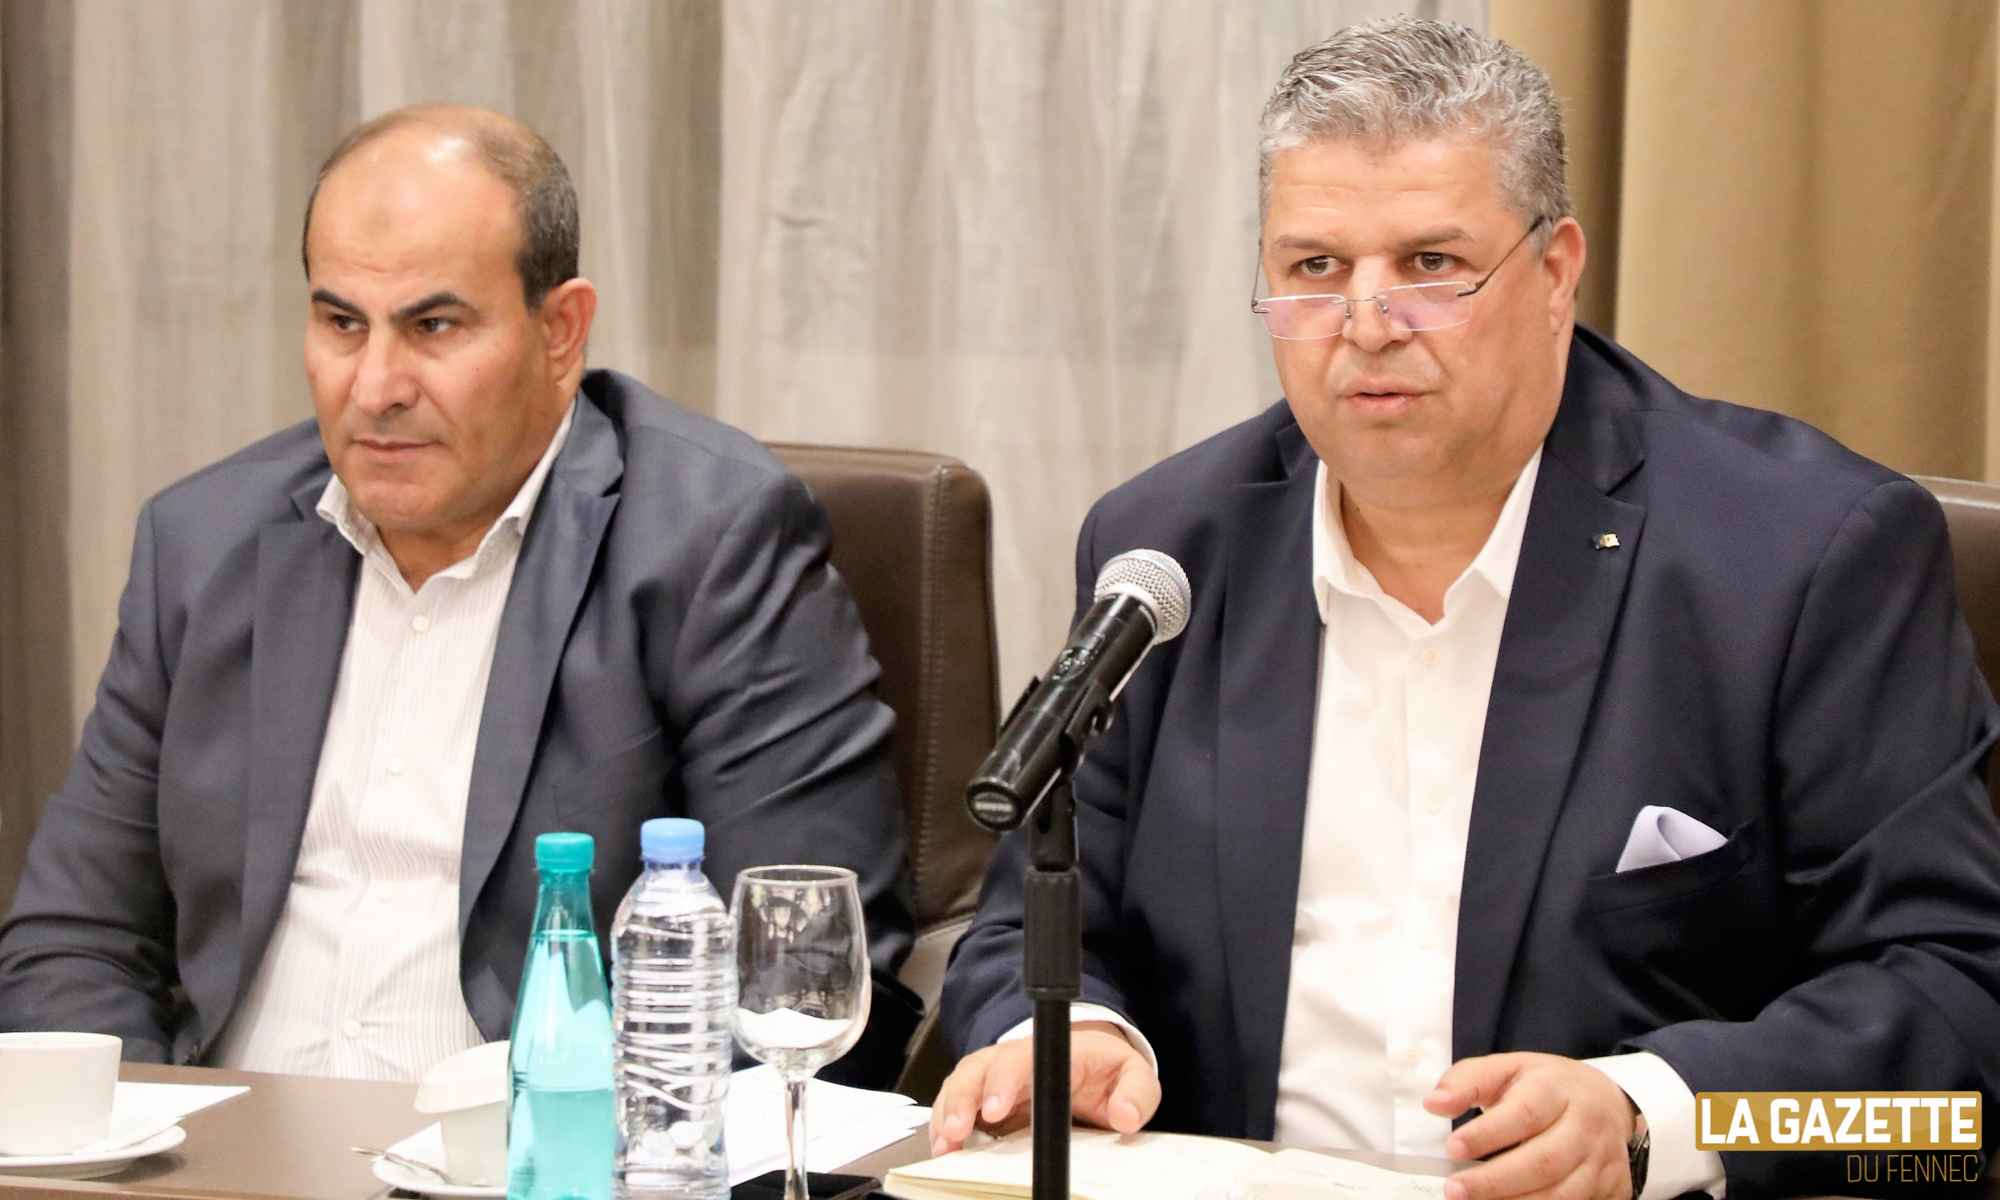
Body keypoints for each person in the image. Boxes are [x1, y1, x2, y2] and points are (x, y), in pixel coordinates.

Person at [934, 18, 2000, 1200]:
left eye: (1430, 264)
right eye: (1313, 268)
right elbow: (1028, 923)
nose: (1366, 324)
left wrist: (1653, 1120)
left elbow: (1959, 1030)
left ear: (1554, 273)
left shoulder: (1800, 557)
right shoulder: (1168, 548)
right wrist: (1071, 1034)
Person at [0, 105, 920, 1089]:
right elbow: (74, 942)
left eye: (432, 326)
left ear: (560, 331)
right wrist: (149, 1142)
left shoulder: (712, 545)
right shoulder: (203, 543)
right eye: (341, 323)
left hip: (544, 1151)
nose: (376, 386)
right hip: (227, 1147)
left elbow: (797, 980)